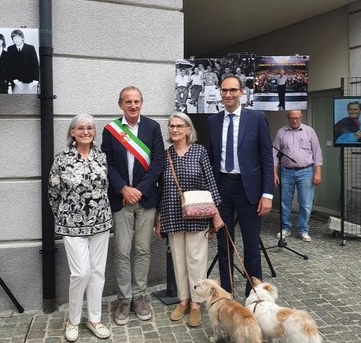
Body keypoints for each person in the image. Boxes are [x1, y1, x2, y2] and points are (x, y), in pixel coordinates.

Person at [101, 86, 165, 326]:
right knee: (121, 250)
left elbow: (158, 161)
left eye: (137, 101)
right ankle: (124, 299)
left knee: (142, 250)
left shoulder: (152, 127)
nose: (133, 105)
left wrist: (140, 190)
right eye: (128, 102)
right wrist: (123, 189)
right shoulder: (111, 130)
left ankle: (139, 296)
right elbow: (106, 163)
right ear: (120, 105)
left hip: (145, 198)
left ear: (141, 104)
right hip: (121, 198)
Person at [154, 112, 225, 327]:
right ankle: (183, 300)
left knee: (196, 260)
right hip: (173, 214)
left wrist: (216, 214)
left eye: (179, 126)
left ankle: (196, 303)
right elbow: (161, 189)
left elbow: (211, 183)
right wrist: (159, 218)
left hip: (198, 214)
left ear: (188, 129)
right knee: (179, 260)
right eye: (171, 126)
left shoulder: (199, 152)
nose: (174, 130)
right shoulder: (165, 155)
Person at [47, 114, 113, 342]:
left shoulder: (101, 157)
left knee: (97, 273)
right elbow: (53, 193)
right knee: (80, 273)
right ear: (72, 132)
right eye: (81, 128)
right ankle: (73, 319)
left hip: (101, 223)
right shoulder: (62, 159)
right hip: (72, 225)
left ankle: (94, 319)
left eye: (90, 128)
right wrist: (66, 216)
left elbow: (106, 189)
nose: (86, 131)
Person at [207, 74, 274, 297]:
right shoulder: (213, 121)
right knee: (224, 244)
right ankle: (227, 292)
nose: (228, 94)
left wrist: (267, 194)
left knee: (251, 245)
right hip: (222, 187)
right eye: (224, 90)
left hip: (249, 190)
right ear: (220, 92)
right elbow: (212, 157)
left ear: (241, 93)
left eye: (233, 90)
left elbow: (266, 157)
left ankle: (255, 294)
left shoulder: (256, 118)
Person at [273, 110, 323, 242]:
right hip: (286, 171)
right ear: (287, 117)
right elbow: (274, 155)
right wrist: (274, 173)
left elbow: (317, 152)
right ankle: (285, 228)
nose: (294, 121)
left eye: (297, 118)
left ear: (301, 117)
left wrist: (318, 172)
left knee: (306, 203)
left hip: (306, 171)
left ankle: (303, 229)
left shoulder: (309, 131)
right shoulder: (281, 132)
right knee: (285, 202)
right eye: (292, 118)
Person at [2, 29, 39, 94]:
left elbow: (35, 65)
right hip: (16, 82)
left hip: (30, 83)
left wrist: (34, 82)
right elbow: (9, 67)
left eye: (18, 37)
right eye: (14, 38)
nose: (16, 40)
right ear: (12, 40)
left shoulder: (30, 48)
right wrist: (16, 81)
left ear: (23, 38)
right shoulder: (10, 49)